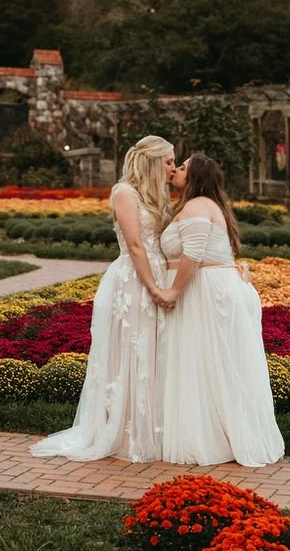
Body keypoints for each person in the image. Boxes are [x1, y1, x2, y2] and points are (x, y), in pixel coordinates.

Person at [30, 135, 175, 462]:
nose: (172, 167)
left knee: (153, 352)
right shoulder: (124, 193)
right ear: (152, 161)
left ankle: (153, 428)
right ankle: (124, 432)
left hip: (157, 276)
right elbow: (135, 245)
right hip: (133, 282)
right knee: (130, 351)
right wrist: (153, 287)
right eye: (168, 161)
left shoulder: (157, 196)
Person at [156, 153, 285, 467]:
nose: (176, 170)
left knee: (209, 364)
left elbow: (193, 256)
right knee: (207, 365)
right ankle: (211, 432)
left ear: (195, 176)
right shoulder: (201, 205)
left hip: (204, 292)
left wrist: (173, 291)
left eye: (182, 167)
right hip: (208, 288)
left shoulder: (198, 206)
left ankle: (210, 439)